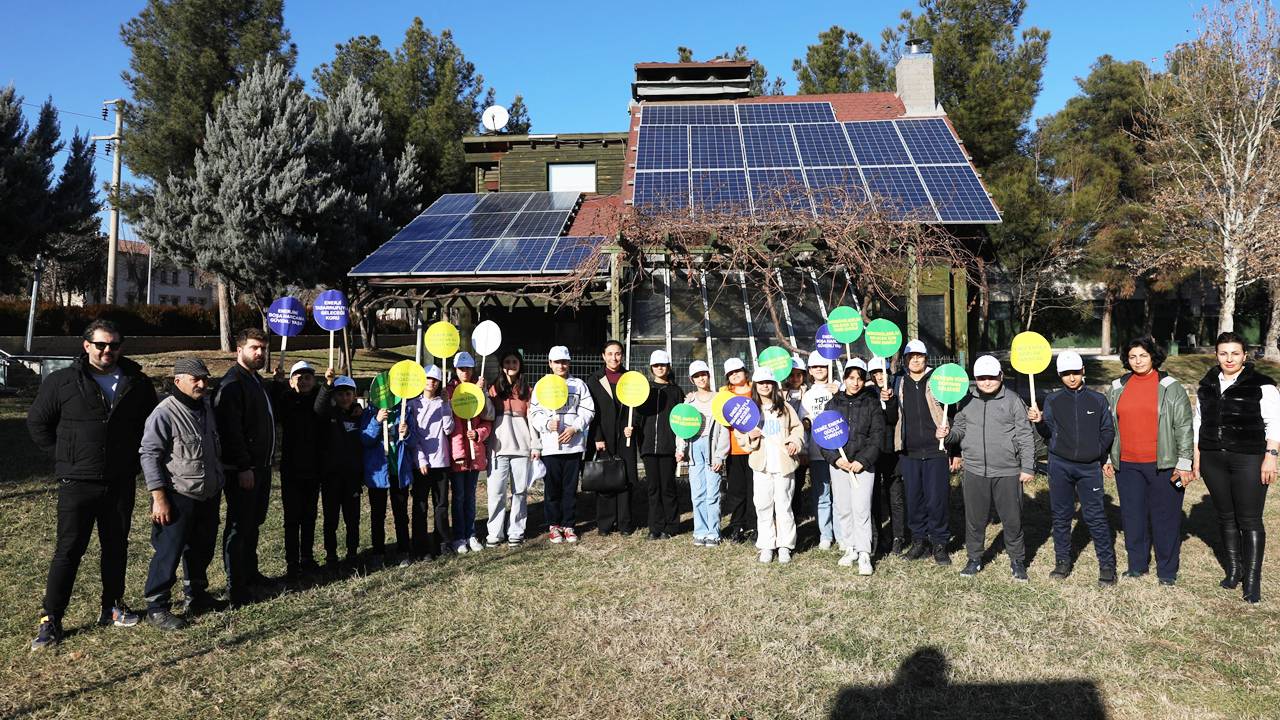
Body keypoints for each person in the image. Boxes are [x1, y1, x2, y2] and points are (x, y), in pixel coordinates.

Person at [27, 319, 158, 649]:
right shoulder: (62, 381)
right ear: (86, 346)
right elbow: (38, 423)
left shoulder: (137, 383)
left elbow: (150, 427)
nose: (107, 351)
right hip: (77, 482)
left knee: (116, 548)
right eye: (100, 345)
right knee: (68, 551)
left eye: (113, 345)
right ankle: (52, 619)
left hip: (119, 481)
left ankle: (111, 607)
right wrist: (64, 456)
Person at [138, 358, 224, 630]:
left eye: (205, 379)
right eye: (195, 379)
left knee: (202, 547)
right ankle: (157, 606)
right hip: (177, 494)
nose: (201, 384)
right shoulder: (164, 412)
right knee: (168, 552)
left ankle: (196, 595)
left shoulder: (207, 409)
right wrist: (159, 497)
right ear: (178, 381)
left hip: (207, 493)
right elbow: (149, 454)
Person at [1193, 331, 1278, 603]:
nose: (1229, 358)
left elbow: (1274, 423)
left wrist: (1271, 456)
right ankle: (1234, 569)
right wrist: (1197, 457)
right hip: (1212, 458)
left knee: (1249, 519)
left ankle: (1252, 580)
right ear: (1216, 355)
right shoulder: (1206, 384)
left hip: (1249, 458)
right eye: (1223, 353)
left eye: (1235, 353)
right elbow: (1198, 423)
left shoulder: (1262, 385)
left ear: (1244, 355)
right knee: (1225, 517)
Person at [1104, 336, 1194, 585]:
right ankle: (1137, 565)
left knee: (1165, 518)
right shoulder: (1117, 386)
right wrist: (1110, 457)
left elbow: (1184, 426)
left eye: (1143, 355)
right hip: (1128, 465)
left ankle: (1166, 571)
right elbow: (1111, 426)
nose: (1138, 361)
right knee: (1133, 517)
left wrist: (1184, 462)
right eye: (1132, 356)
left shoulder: (1170, 386)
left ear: (1153, 356)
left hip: (1163, 465)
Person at [942, 355, 1036, 581]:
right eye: (981, 378)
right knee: (974, 519)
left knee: (1012, 519)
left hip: (1007, 470)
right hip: (974, 469)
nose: (986, 382)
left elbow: (1025, 435)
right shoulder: (965, 400)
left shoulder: (1013, 400)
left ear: (1001, 376)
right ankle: (974, 558)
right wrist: (947, 436)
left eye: (991, 377)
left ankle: (1017, 560)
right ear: (975, 379)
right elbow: (959, 431)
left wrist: (1028, 467)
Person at [1026, 351, 1117, 586]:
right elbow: (1048, 434)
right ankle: (1062, 562)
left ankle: (1107, 565)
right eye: (1066, 374)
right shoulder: (1053, 400)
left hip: (1089, 468)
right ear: (1060, 376)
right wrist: (1040, 422)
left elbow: (1108, 431)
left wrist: (1097, 452)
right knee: (1061, 515)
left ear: (1083, 371)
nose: (1072, 378)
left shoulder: (1098, 400)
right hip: (1060, 466)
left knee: (1095, 516)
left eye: (1075, 372)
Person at [215, 328, 278, 606]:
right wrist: (243, 466)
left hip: (262, 467)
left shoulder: (255, 381)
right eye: (254, 348)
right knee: (239, 525)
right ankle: (235, 584)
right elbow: (231, 431)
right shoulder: (233, 383)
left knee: (254, 523)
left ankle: (250, 573)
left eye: (263, 349)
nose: (260, 353)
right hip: (244, 468)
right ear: (238, 350)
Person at [820, 359, 884, 574]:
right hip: (839, 465)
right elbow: (824, 435)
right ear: (845, 378)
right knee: (844, 509)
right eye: (851, 378)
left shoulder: (871, 403)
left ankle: (865, 553)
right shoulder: (833, 403)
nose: (855, 383)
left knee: (861, 509)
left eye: (859, 378)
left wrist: (862, 461)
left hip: (862, 466)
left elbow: (877, 436)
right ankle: (850, 548)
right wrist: (835, 460)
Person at [891, 340, 952, 566]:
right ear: (905, 359)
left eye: (919, 356)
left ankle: (939, 543)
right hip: (909, 451)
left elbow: (952, 409)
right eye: (910, 356)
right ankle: (919, 542)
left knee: (937, 501)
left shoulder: (939, 380)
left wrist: (950, 436)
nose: (915, 360)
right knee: (914, 500)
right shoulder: (898, 382)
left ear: (926, 357)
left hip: (936, 450)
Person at [736, 367, 805, 563]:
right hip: (761, 466)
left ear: (774, 385)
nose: (765, 386)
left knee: (784, 505)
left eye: (768, 382)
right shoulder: (750, 409)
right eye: (761, 383)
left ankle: (785, 545)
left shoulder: (785, 407)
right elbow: (740, 434)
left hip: (783, 464)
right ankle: (766, 544)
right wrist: (750, 436)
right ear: (755, 386)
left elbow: (797, 428)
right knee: (763, 504)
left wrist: (794, 442)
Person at [530, 346, 595, 543]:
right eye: (557, 362)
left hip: (573, 446)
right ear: (550, 363)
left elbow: (588, 410)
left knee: (569, 489)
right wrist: (546, 424)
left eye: (564, 361)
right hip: (550, 447)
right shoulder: (542, 386)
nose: (561, 365)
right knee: (552, 489)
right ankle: (554, 525)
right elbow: (534, 413)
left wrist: (575, 428)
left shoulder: (579, 385)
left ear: (569, 363)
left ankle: (569, 525)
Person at [272, 361, 323, 581]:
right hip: (291, 469)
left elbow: (323, 407)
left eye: (308, 377)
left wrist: (327, 384)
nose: (303, 381)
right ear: (292, 381)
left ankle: (307, 557)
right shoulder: (287, 400)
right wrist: (277, 384)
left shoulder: (319, 400)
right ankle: (292, 562)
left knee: (309, 516)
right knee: (292, 518)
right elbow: (276, 407)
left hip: (313, 468)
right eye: (299, 378)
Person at [486, 351, 539, 547]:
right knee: (496, 493)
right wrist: (482, 394)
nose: (510, 365)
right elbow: (487, 415)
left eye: (514, 361)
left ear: (520, 364)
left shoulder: (528, 390)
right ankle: (495, 532)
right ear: (502, 365)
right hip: (497, 449)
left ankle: (516, 531)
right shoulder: (492, 389)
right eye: (507, 361)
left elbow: (533, 421)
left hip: (522, 450)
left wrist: (535, 445)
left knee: (519, 492)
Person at [585, 340, 637, 535]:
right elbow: (592, 412)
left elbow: (637, 407)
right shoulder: (594, 380)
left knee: (625, 478)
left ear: (622, 356)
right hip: (603, 436)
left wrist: (634, 427)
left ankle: (625, 523)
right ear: (603, 356)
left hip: (626, 437)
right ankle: (605, 524)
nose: (614, 357)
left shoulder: (630, 379)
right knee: (605, 478)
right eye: (610, 353)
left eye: (618, 354)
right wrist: (597, 436)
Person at [314, 371, 364, 569]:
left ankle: (352, 552)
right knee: (331, 519)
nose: (344, 398)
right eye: (340, 394)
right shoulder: (328, 415)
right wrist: (327, 385)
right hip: (331, 477)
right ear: (334, 396)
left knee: (352, 519)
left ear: (354, 395)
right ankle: (331, 554)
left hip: (352, 477)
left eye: (348, 394)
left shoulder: (359, 416)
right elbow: (319, 407)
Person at [675, 360, 729, 546]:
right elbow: (681, 427)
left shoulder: (719, 399)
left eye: (703, 374)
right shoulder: (689, 400)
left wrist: (720, 455)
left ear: (709, 375)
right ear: (692, 379)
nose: (701, 378)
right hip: (694, 447)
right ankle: (700, 531)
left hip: (712, 447)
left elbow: (723, 430)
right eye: (696, 376)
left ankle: (713, 533)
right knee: (697, 492)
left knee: (712, 493)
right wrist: (680, 449)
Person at [402, 365, 453, 558]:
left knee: (441, 505)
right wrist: (421, 459)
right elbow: (413, 436)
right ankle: (420, 546)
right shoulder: (413, 404)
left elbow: (448, 429)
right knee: (420, 505)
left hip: (441, 461)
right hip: (421, 464)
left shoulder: (443, 403)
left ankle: (443, 543)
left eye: (435, 380)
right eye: (428, 378)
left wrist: (447, 405)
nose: (431, 382)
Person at [631, 350, 682, 539]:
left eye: (663, 365)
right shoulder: (645, 391)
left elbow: (681, 419)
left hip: (668, 447)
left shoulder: (676, 391)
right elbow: (636, 416)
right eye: (656, 365)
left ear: (668, 367)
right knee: (653, 488)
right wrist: (632, 428)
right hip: (648, 447)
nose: (660, 368)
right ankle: (655, 527)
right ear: (651, 368)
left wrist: (680, 447)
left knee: (668, 487)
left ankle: (671, 526)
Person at [446, 351, 493, 554]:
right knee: (458, 497)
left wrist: (479, 433)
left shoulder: (479, 389)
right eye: (461, 368)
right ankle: (458, 537)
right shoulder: (448, 391)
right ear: (455, 370)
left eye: (468, 368)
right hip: (457, 453)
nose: (465, 372)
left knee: (470, 497)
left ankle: (471, 534)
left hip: (475, 451)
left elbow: (488, 420)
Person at [362, 383, 412, 568]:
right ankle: (378, 552)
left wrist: (406, 433)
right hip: (378, 474)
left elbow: (412, 440)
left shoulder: (403, 411)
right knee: (377, 515)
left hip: (398, 471)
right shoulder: (369, 413)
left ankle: (403, 551)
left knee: (401, 513)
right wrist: (376, 420)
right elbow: (365, 439)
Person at [801, 351, 842, 550]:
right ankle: (825, 534)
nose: (819, 369)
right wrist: (805, 449)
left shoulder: (838, 388)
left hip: (840, 452)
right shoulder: (808, 396)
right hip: (817, 453)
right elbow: (804, 423)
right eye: (815, 367)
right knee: (822, 494)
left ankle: (843, 534)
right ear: (810, 371)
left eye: (823, 366)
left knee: (842, 497)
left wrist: (838, 394)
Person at [868, 357, 905, 555]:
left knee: (895, 494)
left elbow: (893, 418)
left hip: (892, 450)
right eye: (876, 374)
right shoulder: (867, 393)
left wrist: (889, 401)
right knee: (872, 495)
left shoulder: (895, 392)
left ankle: (898, 536)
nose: (880, 376)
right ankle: (876, 537)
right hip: (873, 451)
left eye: (883, 373)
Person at [721, 357, 757, 544]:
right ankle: (737, 526)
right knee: (736, 491)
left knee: (755, 490)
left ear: (745, 371)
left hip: (754, 450)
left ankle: (754, 525)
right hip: (734, 451)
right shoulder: (724, 394)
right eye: (731, 373)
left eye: (738, 371)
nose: (735, 375)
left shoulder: (756, 389)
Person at [785, 357, 810, 521]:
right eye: (791, 375)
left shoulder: (808, 393)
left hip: (803, 443)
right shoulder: (780, 393)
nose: (795, 378)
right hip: (785, 443)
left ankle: (797, 511)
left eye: (798, 375)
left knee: (799, 480)